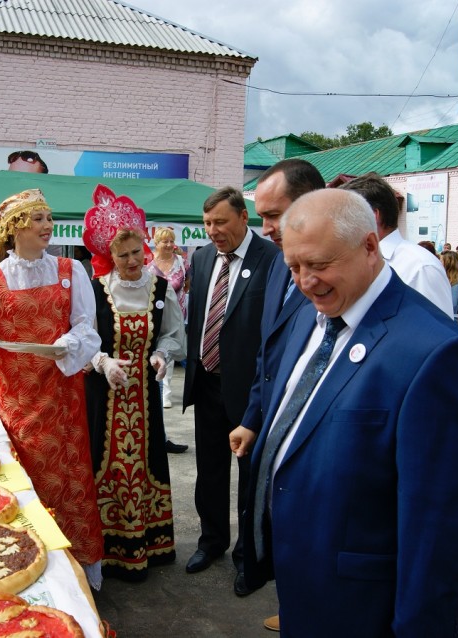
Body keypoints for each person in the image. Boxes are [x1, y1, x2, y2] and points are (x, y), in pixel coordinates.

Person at [230, 188, 458, 636]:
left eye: (320, 265)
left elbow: (439, 532)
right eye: (294, 267)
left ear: (370, 246)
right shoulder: (311, 318)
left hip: (363, 606)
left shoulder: (435, 353)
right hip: (302, 584)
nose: (306, 282)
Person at [0, 189, 105, 579]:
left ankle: (78, 566)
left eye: (48, 218)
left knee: (70, 476)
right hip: (18, 397)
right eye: (37, 218)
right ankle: (27, 563)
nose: (47, 226)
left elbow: (87, 327)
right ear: (15, 228)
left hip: (61, 395)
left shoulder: (71, 273)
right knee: (25, 474)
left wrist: (68, 344)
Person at [234, 159, 323, 628]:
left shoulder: (334, 280)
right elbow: (267, 358)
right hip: (273, 425)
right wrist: (252, 417)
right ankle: (293, 607)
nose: (264, 227)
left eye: (274, 215)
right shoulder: (276, 268)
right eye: (261, 216)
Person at [182, 186, 278, 578]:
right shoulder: (203, 258)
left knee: (249, 476)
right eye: (207, 223)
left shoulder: (271, 259)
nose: (213, 230)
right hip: (206, 382)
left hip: (249, 389)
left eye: (220, 221)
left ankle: (248, 557)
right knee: (210, 470)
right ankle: (211, 541)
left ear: (243, 217)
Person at [85, 227, 186, 581]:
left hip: (143, 395)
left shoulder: (159, 289)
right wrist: (103, 362)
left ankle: (146, 543)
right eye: (123, 254)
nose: (131, 260)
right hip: (103, 395)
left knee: (145, 462)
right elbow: (82, 339)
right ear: (109, 257)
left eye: (136, 252)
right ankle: (106, 548)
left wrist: (160, 355)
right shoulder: (96, 290)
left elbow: (173, 335)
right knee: (103, 460)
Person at [339, 172, 454, 318]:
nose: (337, 226)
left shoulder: (420, 267)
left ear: (372, 216)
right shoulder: (353, 261)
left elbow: (439, 334)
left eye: (343, 217)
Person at [146, 227, 190, 409]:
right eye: (165, 241)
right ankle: (159, 387)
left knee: (171, 350)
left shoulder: (182, 262)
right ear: (157, 244)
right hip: (154, 314)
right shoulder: (148, 263)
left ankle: (167, 392)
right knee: (157, 350)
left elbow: (187, 284)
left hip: (177, 312)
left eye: (172, 241)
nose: (170, 245)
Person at [440, 250, 458, 323]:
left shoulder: (455, 284)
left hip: (448, 320)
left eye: (441, 261)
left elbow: (452, 305)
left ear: (448, 264)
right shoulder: (448, 281)